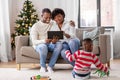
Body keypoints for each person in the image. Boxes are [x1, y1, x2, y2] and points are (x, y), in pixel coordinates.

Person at [30, 8, 62, 73]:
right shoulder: (36, 26)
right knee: (43, 46)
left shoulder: (52, 23)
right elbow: (34, 41)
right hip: (40, 44)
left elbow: (58, 32)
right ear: (41, 16)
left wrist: (54, 41)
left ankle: (50, 66)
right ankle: (43, 66)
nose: (48, 20)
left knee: (59, 44)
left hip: (50, 44)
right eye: (46, 18)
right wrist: (44, 41)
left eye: (49, 18)